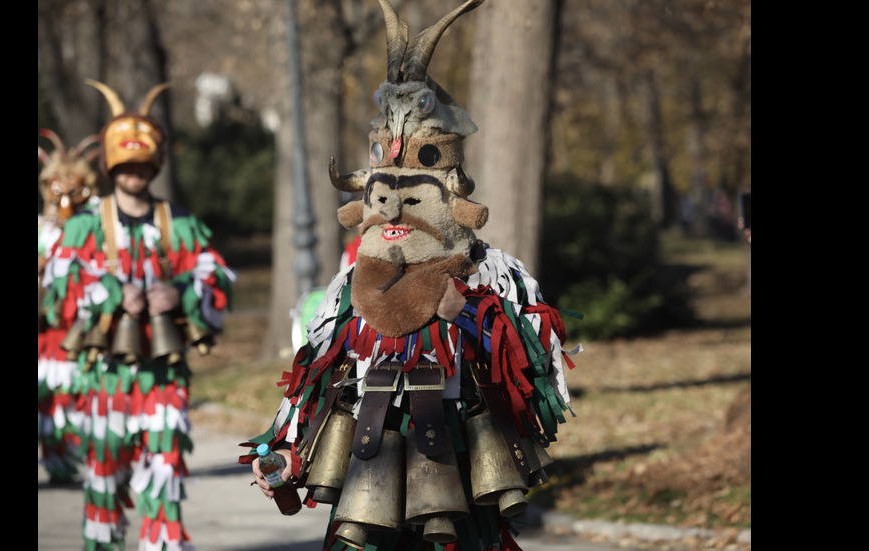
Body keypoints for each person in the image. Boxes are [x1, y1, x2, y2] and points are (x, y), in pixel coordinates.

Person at [240, 1, 582, 550]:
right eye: (386, 189)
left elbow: (535, 380)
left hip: (460, 465)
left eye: (413, 190)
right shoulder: (350, 282)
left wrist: (467, 315)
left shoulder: (491, 273)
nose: (395, 209)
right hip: (363, 469)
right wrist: (285, 445)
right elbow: (320, 370)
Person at [43, 78, 238, 551]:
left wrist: (181, 292)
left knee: (164, 483)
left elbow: (216, 278)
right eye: (125, 164)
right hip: (103, 382)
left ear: (155, 164)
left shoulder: (180, 223)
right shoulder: (86, 225)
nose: (134, 171)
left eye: (142, 163)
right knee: (104, 492)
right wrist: (110, 290)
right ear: (111, 167)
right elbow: (56, 285)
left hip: (163, 380)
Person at [38, 128, 101, 484]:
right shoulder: (41, 232)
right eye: (57, 188)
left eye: (73, 189)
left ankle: (95, 462)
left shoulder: (95, 228)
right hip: (48, 333)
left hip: (86, 328)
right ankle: (58, 466)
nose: (65, 197)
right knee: (49, 399)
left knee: (86, 397)